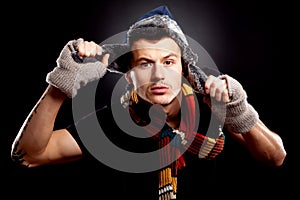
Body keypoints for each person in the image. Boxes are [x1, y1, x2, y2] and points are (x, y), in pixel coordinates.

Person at [11, 5, 286, 200]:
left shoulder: (212, 106)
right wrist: (60, 85)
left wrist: (239, 110)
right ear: (129, 75)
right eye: (145, 63)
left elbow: (275, 157)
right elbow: (30, 156)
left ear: (184, 69)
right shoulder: (109, 123)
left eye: (168, 62)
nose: (158, 75)